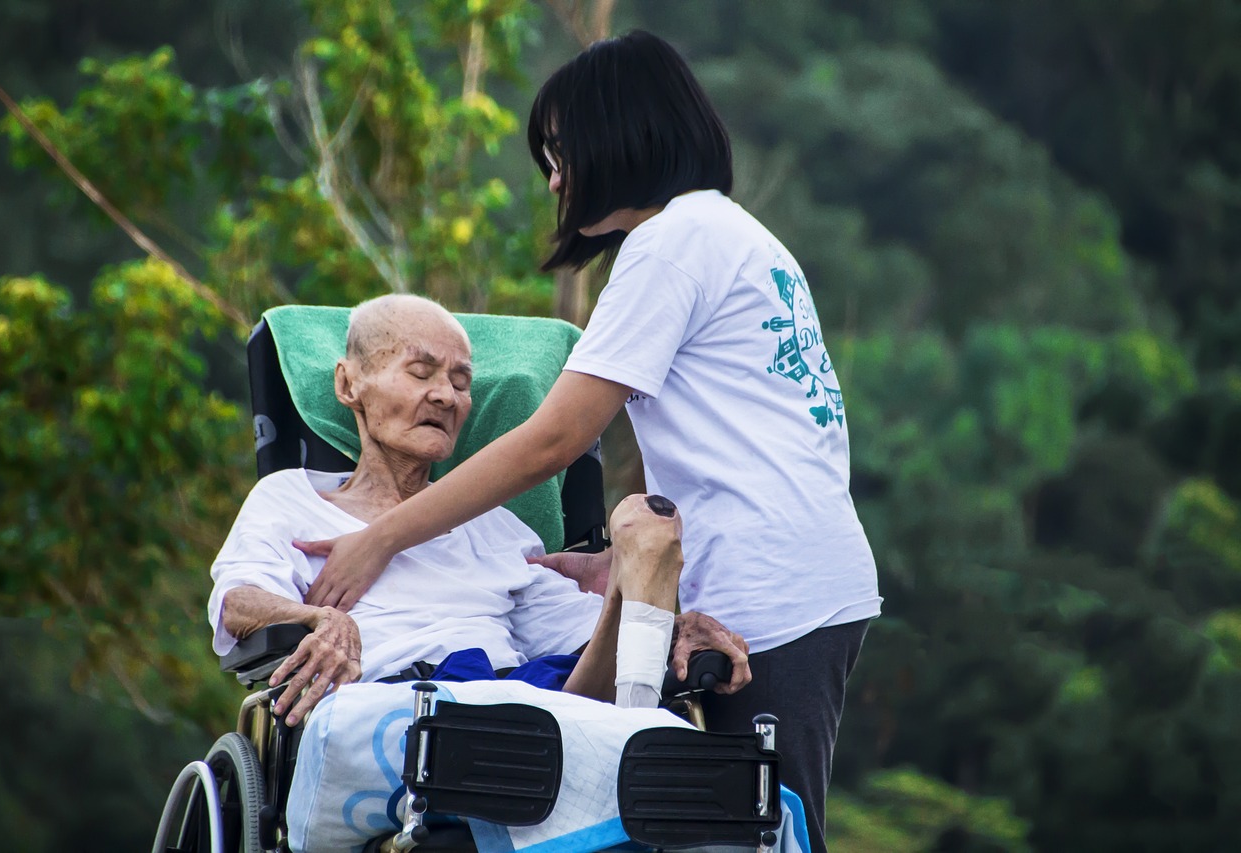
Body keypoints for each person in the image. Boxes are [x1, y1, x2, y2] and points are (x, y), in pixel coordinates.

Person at [295, 32, 881, 849]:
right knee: (729, 823)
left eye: (562, 151)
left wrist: (383, 536)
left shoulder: (668, 247)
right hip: (804, 569)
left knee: (747, 828)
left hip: (770, 593)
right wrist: (617, 567)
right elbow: (751, 439)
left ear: (625, 134)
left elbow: (555, 439)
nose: (555, 176)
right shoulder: (732, 235)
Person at [208, 294, 750, 727]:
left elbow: (575, 633)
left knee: (640, 533)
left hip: (519, 695)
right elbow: (237, 602)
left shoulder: (497, 527)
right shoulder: (292, 497)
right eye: (421, 373)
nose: (446, 396)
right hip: (386, 703)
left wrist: (674, 625)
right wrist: (318, 618)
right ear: (349, 384)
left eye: (461, 382)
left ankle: (621, 719)